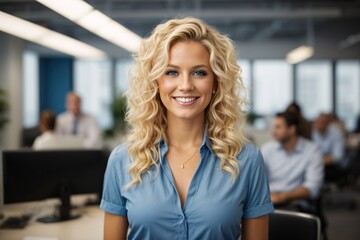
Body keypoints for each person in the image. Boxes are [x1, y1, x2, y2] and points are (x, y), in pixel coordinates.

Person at [100, 17, 274, 240]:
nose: (185, 85)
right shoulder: (123, 160)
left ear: (215, 83)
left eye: (199, 72)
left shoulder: (247, 160)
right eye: (171, 72)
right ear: (156, 82)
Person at [261, 112, 324, 207]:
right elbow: (258, 180)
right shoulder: (267, 149)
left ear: (291, 129)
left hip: (297, 202)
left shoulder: (312, 150)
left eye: (278, 127)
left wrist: (283, 197)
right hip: (269, 200)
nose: (273, 131)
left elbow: (313, 187)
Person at [313, 113, 346, 182]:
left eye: (321, 122)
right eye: (317, 122)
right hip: (321, 162)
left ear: (327, 124)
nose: (317, 124)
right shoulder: (315, 132)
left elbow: (337, 157)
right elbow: (314, 152)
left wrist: (318, 160)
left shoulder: (336, 133)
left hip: (336, 166)